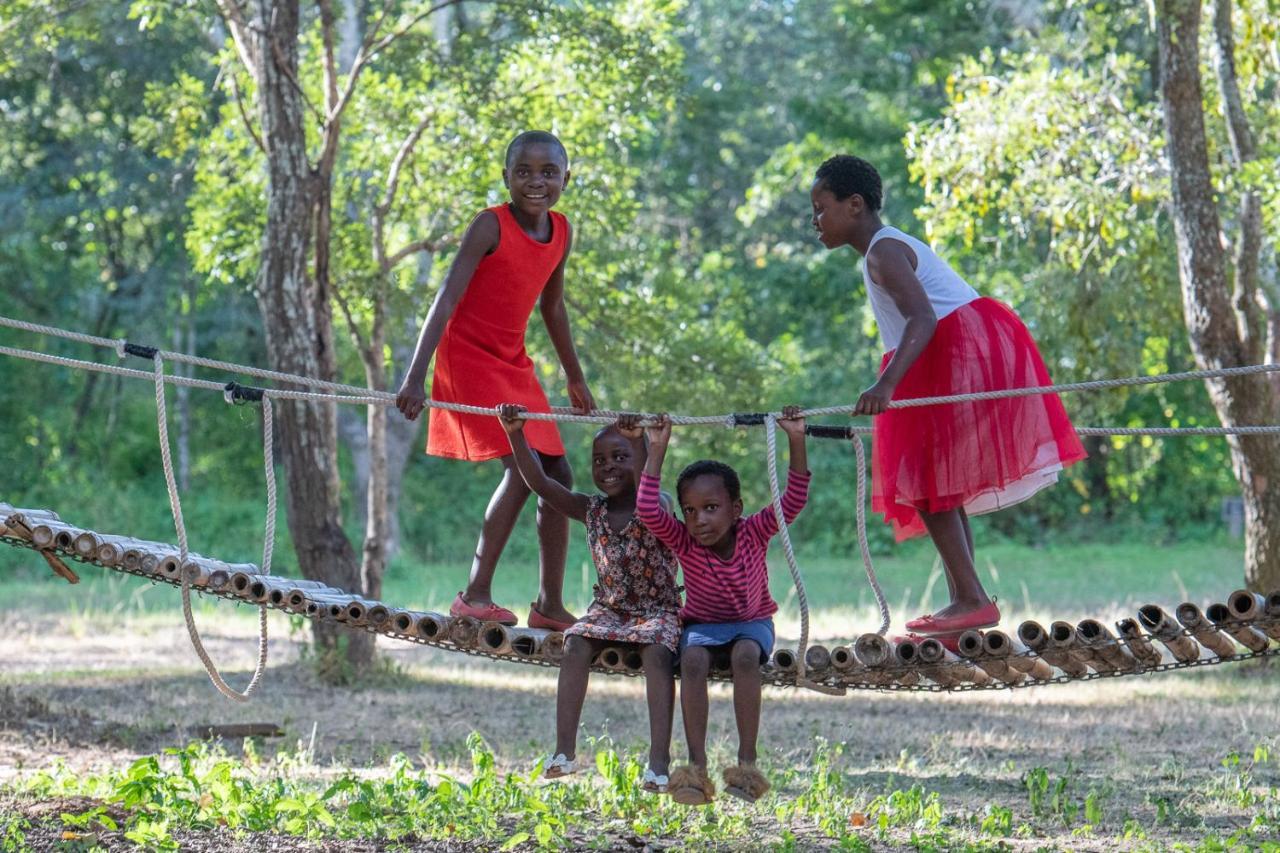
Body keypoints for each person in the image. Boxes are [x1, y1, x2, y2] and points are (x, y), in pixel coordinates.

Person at [809, 154, 1086, 638]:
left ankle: (972, 598)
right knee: (937, 484)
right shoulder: (881, 250)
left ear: (854, 205)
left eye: (820, 207)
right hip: (941, 352)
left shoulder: (882, 250)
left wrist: (886, 384)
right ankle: (967, 600)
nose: (815, 221)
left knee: (925, 480)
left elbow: (924, 317)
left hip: (946, 351)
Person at [395, 131, 593, 631]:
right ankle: (475, 595)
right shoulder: (490, 225)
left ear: (565, 179)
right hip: (467, 357)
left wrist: (575, 378)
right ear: (506, 178)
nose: (536, 182)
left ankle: (549, 605)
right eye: (523, 172)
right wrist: (415, 376)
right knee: (524, 471)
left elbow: (552, 306)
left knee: (560, 476)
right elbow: (445, 297)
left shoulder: (562, 231)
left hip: (512, 360)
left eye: (549, 172)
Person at [498, 406, 681, 793]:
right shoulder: (591, 508)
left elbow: (650, 483)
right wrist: (516, 434)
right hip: (610, 609)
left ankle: (659, 763)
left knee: (658, 653)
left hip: (657, 609)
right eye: (599, 460)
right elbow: (544, 487)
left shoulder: (656, 502)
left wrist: (640, 442)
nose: (608, 467)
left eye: (621, 457)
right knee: (576, 641)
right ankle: (564, 752)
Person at [636, 410, 810, 806]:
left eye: (711, 507)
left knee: (746, 656)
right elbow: (647, 509)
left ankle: (746, 767)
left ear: (736, 508)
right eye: (690, 510)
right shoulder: (683, 540)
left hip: (753, 622)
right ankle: (695, 771)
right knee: (692, 661)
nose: (699, 519)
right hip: (703, 625)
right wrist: (658, 448)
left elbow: (794, 500)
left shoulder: (755, 530)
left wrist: (796, 439)